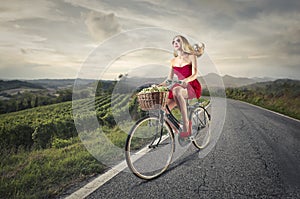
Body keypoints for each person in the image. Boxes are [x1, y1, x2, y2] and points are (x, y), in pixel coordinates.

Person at [160, 35, 204, 138]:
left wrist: (186, 80)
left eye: (178, 41)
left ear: (183, 43)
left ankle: (186, 124)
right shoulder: (173, 61)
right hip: (179, 87)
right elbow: (169, 80)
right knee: (162, 109)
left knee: (176, 90)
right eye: (173, 41)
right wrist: (157, 85)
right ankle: (177, 130)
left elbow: (195, 74)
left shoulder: (191, 56)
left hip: (191, 85)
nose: (175, 43)